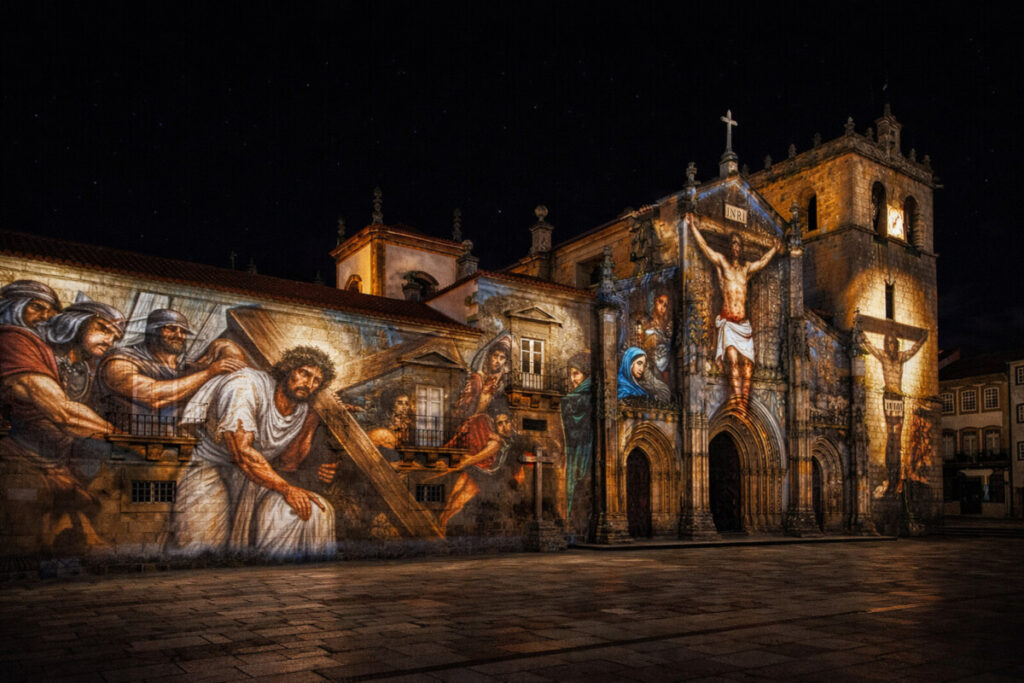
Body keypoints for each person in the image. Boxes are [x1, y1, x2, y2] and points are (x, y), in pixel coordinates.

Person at [171, 346, 338, 558]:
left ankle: (280, 579)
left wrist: (313, 418)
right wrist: (287, 489)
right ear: (288, 368)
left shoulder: (301, 408)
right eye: (304, 373)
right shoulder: (245, 386)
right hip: (211, 470)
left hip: (257, 479)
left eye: (316, 380)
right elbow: (242, 453)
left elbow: (289, 463)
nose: (309, 384)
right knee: (203, 548)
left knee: (316, 511)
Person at [0, 292, 118, 551]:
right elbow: (62, 412)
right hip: (20, 453)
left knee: (92, 478)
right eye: (102, 328)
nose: (109, 340)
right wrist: (119, 435)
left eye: (114, 335)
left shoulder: (85, 368)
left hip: (61, 458)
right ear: (75, 323)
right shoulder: (19, 342)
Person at [95, 308, 247, 432]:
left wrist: (223, 349)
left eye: (182, 332)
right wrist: (209, 372)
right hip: (128, 445)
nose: (179, 335)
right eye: (171, 329)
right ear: (152, 331)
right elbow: (153, 396)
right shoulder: (121, 361)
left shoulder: (184, 369)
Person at [689, 215, 781, 407]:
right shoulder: (723, 264)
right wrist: (692, 227)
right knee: (733, 363)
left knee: (748, 368)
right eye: (733, 244)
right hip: (729, 323)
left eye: (739, 244)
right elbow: (706, 249)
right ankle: (738, 401)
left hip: (744, 325)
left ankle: (743, 405)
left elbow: (763, 262)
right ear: (730, 247)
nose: (736, 247)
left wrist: (774, 248)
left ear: (742, 248)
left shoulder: (746, 269)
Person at [857, 330, 927, 498]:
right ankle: (891, 478)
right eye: (889, 342)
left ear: (896, 345)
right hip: (888, 396)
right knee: (891, 436)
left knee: (897, 439)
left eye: (894, 343)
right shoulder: (883, 356)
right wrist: (862, 334)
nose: (892, 345)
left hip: (899, 398)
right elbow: (870, 347)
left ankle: (897, 480)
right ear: (886, 345)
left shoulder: (901, 357)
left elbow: (914, 350)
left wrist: (922, 338)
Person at [43, 301, 127, 404]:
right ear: (77, 321)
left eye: (115, 338)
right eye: (103, 329)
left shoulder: (86, 370)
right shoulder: (41, 352)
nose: (109, 342)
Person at [447, 333, 512, 453]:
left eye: (502, 358)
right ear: (489, 357)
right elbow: (464, 408)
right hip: (472, 424)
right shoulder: (477, 379)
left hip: (488, 426)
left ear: (505, 362)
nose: (497, 361)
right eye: (495, 356)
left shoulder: (502, 383)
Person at [561, 353, 593, 522]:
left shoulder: (576, 400)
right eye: (570, 374)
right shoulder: (577, 398)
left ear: (586, 375)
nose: (572, 379)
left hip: (581, 452)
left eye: (576, 374)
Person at [641, 292, 672, 381]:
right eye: (661, 302)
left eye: (665, 305)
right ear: (655, 302)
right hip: (651, 366)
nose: (662, 308)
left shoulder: (667, 326)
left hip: (663, 367)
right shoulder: (647, 323)